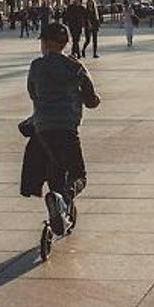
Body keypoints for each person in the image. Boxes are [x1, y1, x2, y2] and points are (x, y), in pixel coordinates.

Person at [27, 23, 101, 238]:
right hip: (67, 128)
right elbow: (90, 99)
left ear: (46, 43)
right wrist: (94, 100)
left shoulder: (36, 66)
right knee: (79, 176)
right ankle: (64, 199)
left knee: (56, 170)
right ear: (65, 43)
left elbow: (33, 93)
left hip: (43, 128)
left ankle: (56, 203)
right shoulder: (75, 67)